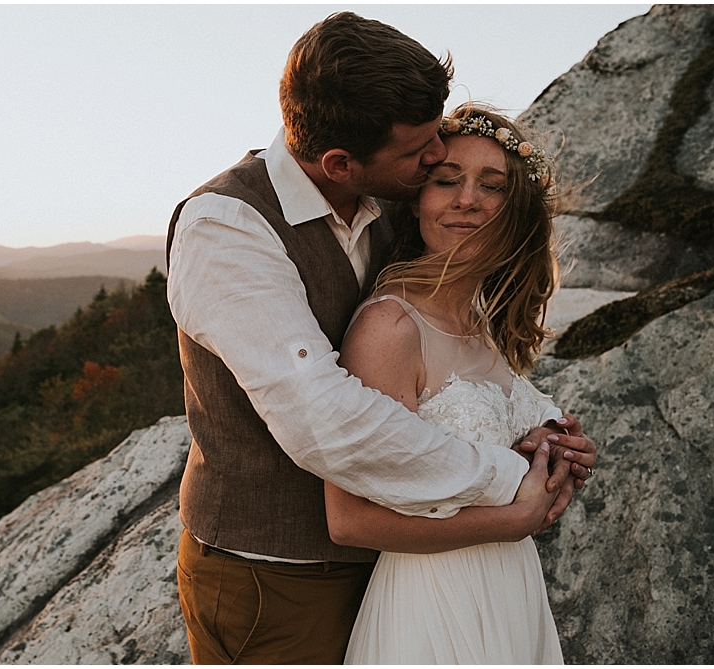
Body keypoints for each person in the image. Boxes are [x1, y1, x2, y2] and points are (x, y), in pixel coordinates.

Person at [167, 12, 595, 664]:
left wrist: (538, 429)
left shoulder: (384, 195)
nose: (437, 160)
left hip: (398, 562)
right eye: (421, 151)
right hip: (277, 576)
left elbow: (453, 347)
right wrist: (509, 480)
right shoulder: (227, 228)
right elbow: (327, 420)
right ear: (339, 162)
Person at [328, 105, 569, 664]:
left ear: (516, 211)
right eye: (447, 181)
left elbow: (489, 449)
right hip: (434, 601)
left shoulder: (483, 322)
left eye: (494, 186)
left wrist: (553, 447)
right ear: (416, 201)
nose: (468, 200)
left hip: (510, 586)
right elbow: (349, 518)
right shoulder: (390, 328)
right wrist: (513, 520)